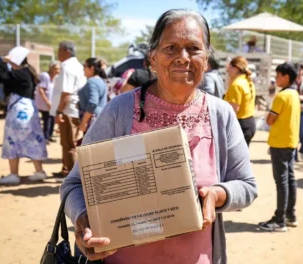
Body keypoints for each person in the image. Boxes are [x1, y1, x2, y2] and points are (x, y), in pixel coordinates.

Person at [60, 9, 258, 264]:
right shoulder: (120, 110)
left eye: (193, 48)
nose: (183, 58)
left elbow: (247, 186)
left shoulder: (221, 114)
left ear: (207, 60)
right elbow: (73, 185)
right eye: (171, 48)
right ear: (152, 58)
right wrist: (83, 218)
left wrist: (218, 195)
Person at [0, 47, 47, 184]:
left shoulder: (19, 74)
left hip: (18, 112)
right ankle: (39, 171)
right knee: (33, 140)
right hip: (29, 111)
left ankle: (14, 174)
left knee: (12, 141)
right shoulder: (27, 72)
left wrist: (1, 62)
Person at [258, 62, 300, 232]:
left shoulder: (281, 96)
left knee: (282, 181)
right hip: (290, 142)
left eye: (278, 76)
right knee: (289, 179)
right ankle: (290, 215)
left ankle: (279, 219)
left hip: (280, 143)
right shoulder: (295, 94)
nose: (276, 79)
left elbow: (270, 120)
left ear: (286, 77)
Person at [50, 41, 87, 178]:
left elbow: (66, 92)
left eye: (59, 51)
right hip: (71, 109)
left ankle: (73, 176)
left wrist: (59, 111)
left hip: (68, 109)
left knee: (69, 144)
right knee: (66, 142)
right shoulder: (76, 66)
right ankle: (66, 170)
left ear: (67, 51)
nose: (58, 54)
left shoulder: (67, 67)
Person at [224, 56, 256, 146]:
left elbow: (233, 110)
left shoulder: (237, 84)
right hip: (249, 122)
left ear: (236, 68)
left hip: (241, 124)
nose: (227, 70)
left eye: (229, 67)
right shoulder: (247, 80)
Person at [77, 58, 108, 140]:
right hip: (98, 118)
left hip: (92, 120)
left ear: (92, 68)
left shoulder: (92, 82)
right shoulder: (100, 81)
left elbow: (93, 103)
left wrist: (83, 123)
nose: (83, 69)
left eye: (84, 66)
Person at [34, 61, 61, 143]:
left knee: (52, 120)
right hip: (45, 103)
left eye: (59, 69)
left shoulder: (55, 78)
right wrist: (47, 102)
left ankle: (49, 135)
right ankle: (45, 137)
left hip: (52, 103)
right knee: (47, 120)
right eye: (56, 69)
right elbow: (41, 90)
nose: (58, 71)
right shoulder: (45, 76)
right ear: (51, 68)